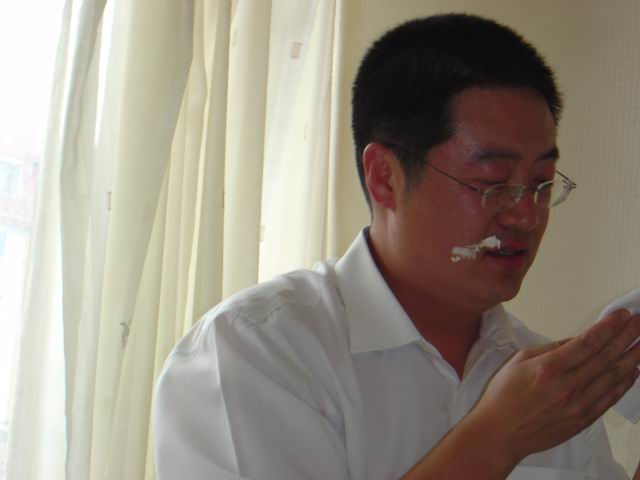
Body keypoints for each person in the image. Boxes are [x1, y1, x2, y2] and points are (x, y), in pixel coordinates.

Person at [154, 13, 640, 480]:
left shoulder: (547, 377)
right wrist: (497, 437)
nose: (526, 215)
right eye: (492, 183)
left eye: (541, 183)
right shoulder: (256, 351)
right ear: (385, 178)